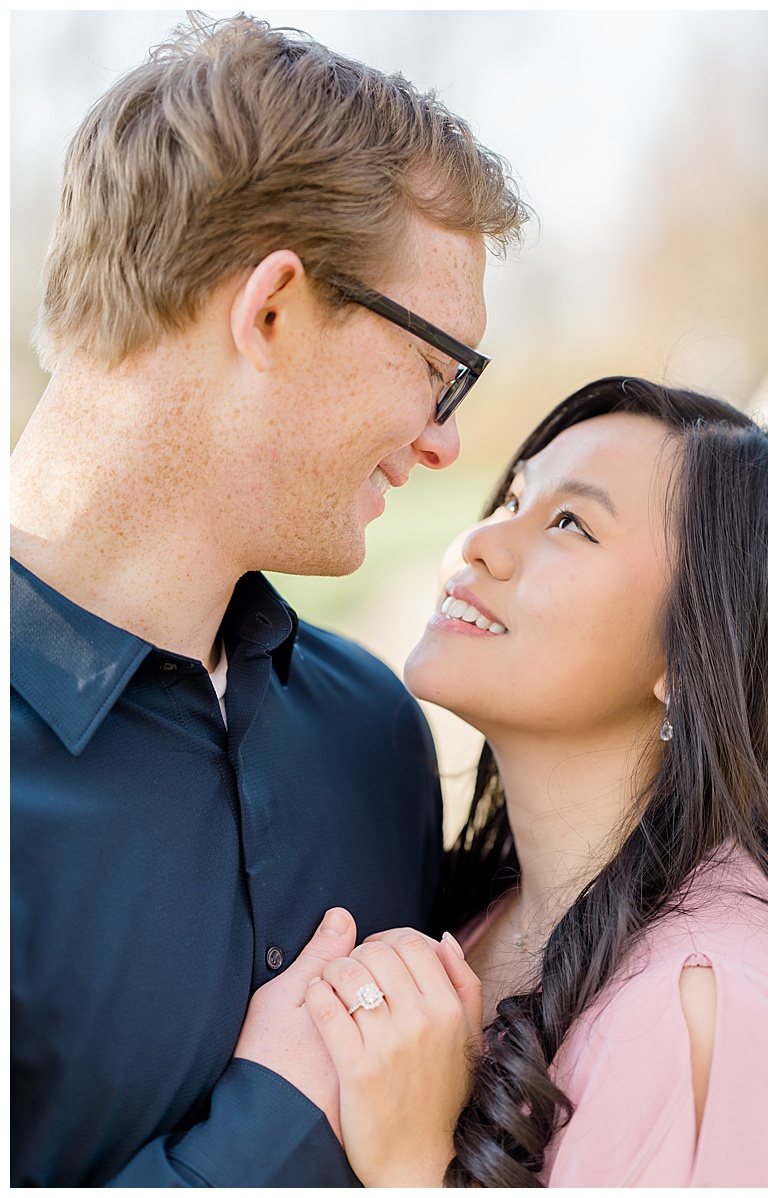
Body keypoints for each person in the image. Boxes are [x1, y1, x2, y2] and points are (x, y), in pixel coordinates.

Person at [10, 15, 526, 1186]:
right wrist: (281, 1118)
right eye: (440, 368)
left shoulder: (376, 733)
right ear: (274, 310)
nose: (445, 440)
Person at [292, 377, 768, 1186]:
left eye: (570, 522)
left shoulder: (706, 1005)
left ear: (691, 651)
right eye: (516, 496)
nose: (481, 541)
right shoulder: (476, 909)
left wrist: (415, 1170)